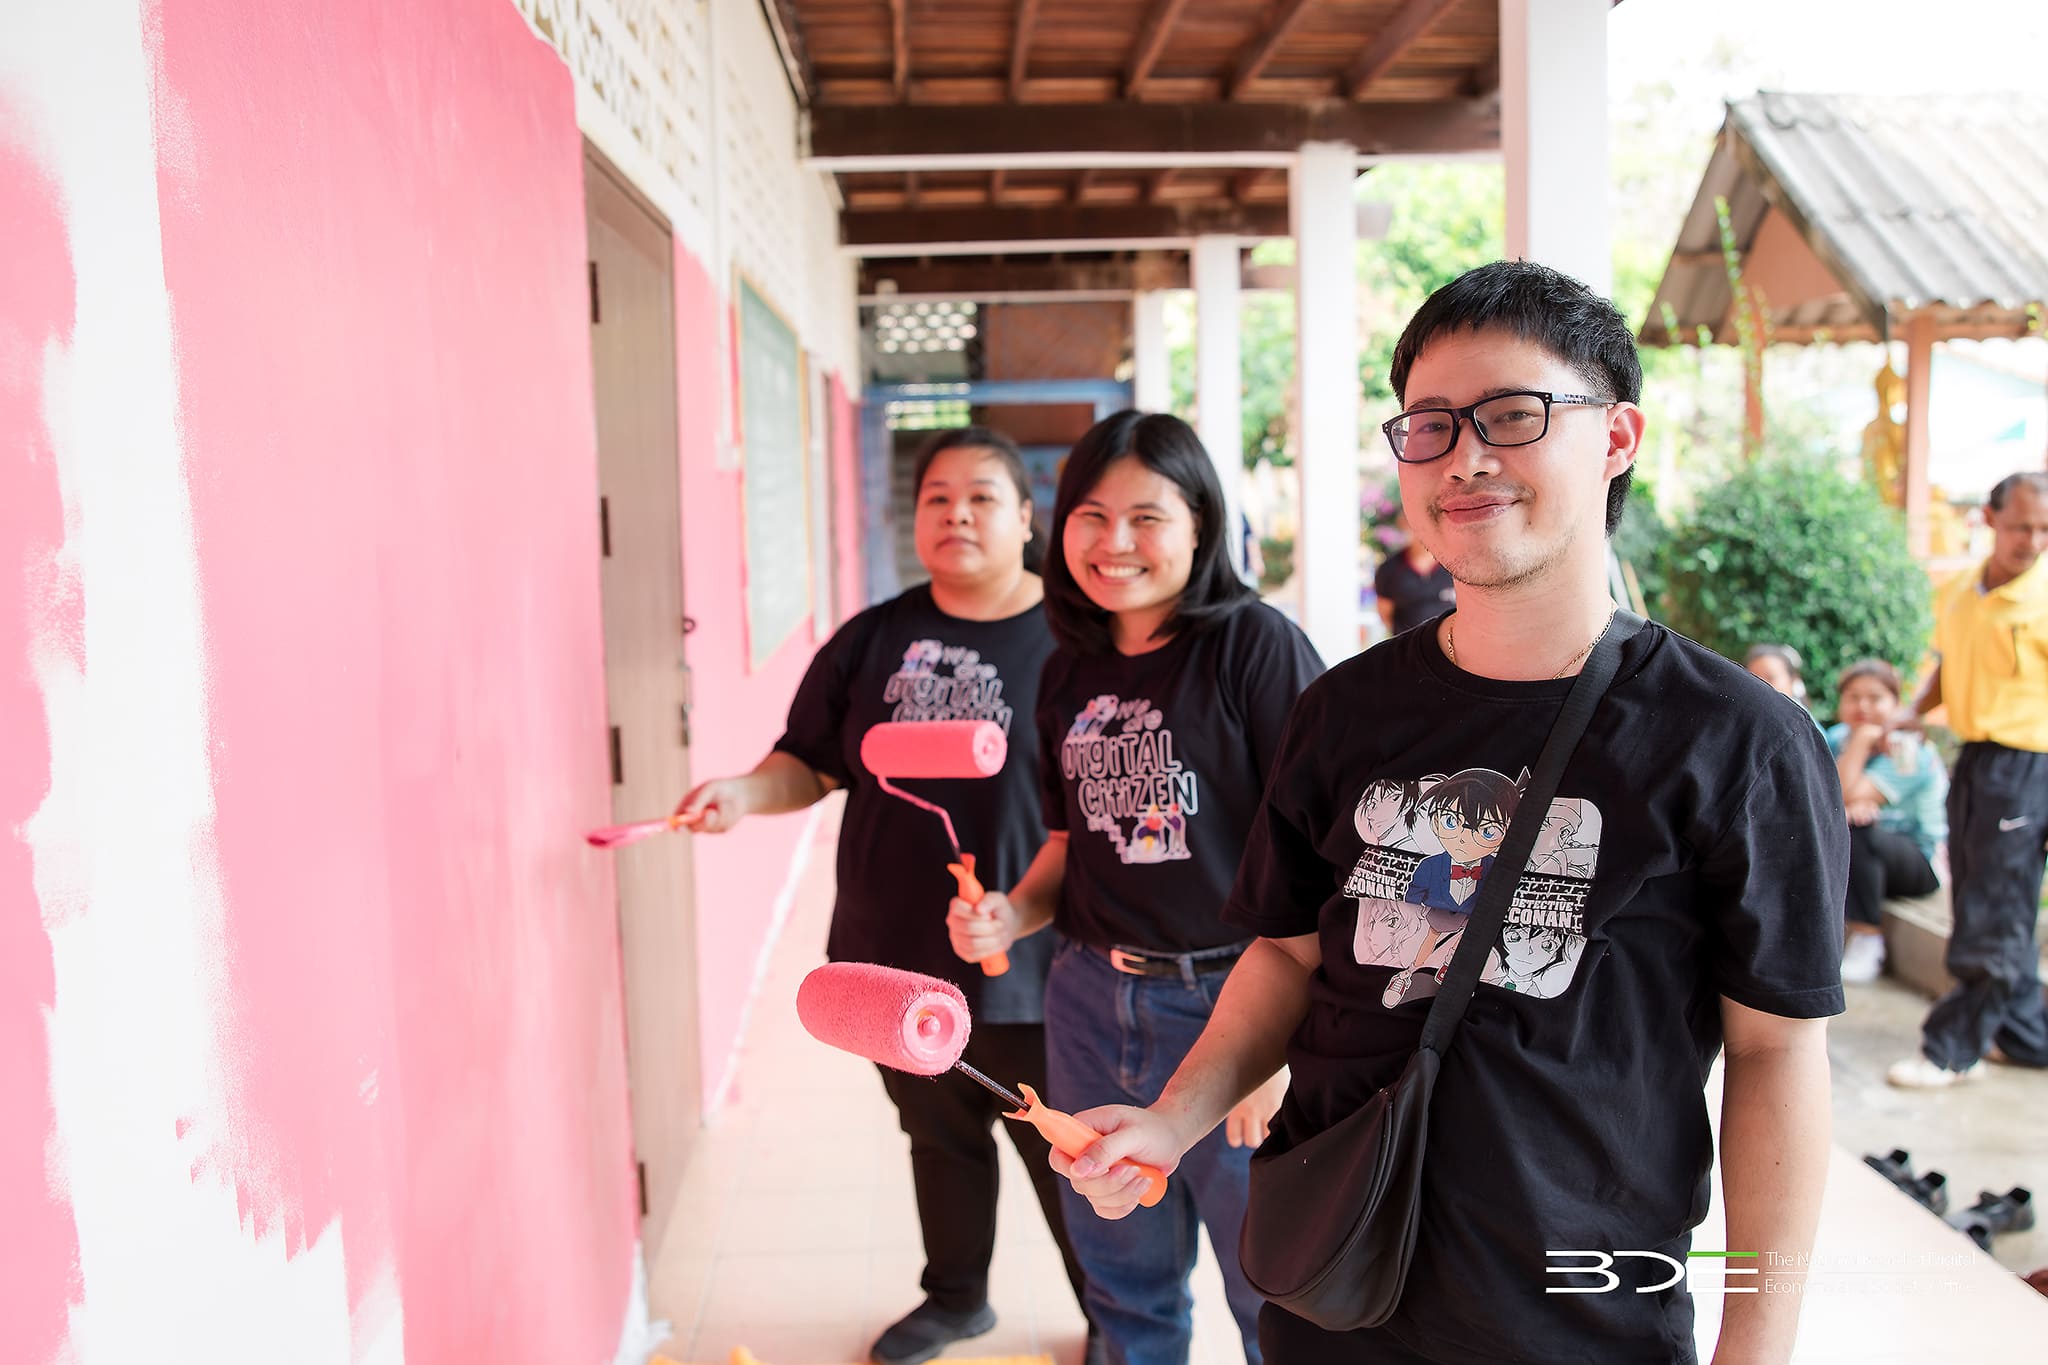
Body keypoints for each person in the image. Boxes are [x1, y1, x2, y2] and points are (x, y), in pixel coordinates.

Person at [1050, 262, 1847, 1365]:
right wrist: (1169, 1120)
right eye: (1429, 425)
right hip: (1334, 1291)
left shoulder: (1738, 740)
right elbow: (1284, 957)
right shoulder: (1344, 710)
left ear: (1616, 437)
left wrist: (1757, 1342)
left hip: (1582, 1321)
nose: (1464, 458)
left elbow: (1775, 1054)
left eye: (1513, 416)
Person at [672, 427, 1094, 1365]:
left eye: (981, 496)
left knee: (1061, 1147)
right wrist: (743, 792)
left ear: (1026, 517)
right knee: (937, 1135)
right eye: (937, 497)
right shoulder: (872, 639)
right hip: (896, 956)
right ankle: (956, 1298)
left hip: (1037, 954)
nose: (956, 514)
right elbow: (808, 761)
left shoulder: (1079, 641)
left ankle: (1116, 1319)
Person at [947, 411, 1324, 1365]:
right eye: (1092, 514)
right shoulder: (1065, 669)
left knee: (1271, 1282)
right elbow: (1070, 841)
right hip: (1087, 998)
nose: (1115, 541)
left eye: (1147, 516)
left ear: (1200, 524)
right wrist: (1012, 910)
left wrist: (1284, 1047)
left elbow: (1332, 857)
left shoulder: (1254, 646)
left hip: (1234, 999)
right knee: (1121, 1274)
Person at [1888, 470, 2048, 1088]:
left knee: (1995, 907)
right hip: (1978, 757)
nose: (2033, 541)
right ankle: (2026, 1037)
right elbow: (1950, 664)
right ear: (1990, 518)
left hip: (2029, 762)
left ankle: (1952, 1049)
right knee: (1981, 892)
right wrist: (1914, 711)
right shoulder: (1959, 590)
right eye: (2021, 527)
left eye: (2044, 529)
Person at [1826, 659, 1947, 985]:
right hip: (1861, 858)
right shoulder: (1836, 738)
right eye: (1853, 696)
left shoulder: (1908, 750)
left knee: (1858, 827)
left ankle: (1868, 939)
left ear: (1896, 703)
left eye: (1875, 697)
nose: (1862, 706)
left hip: (1917, 862)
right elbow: (1823, 800)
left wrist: (1863, 741)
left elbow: (1839, 797)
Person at [1372, 509, 1456, 635]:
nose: (1421, 531)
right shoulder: (1389, 569)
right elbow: (1385, 613)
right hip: (1406, 644)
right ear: (1402, 524)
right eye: (1412, 523)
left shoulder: (1455, 564)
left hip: (1450, 643)